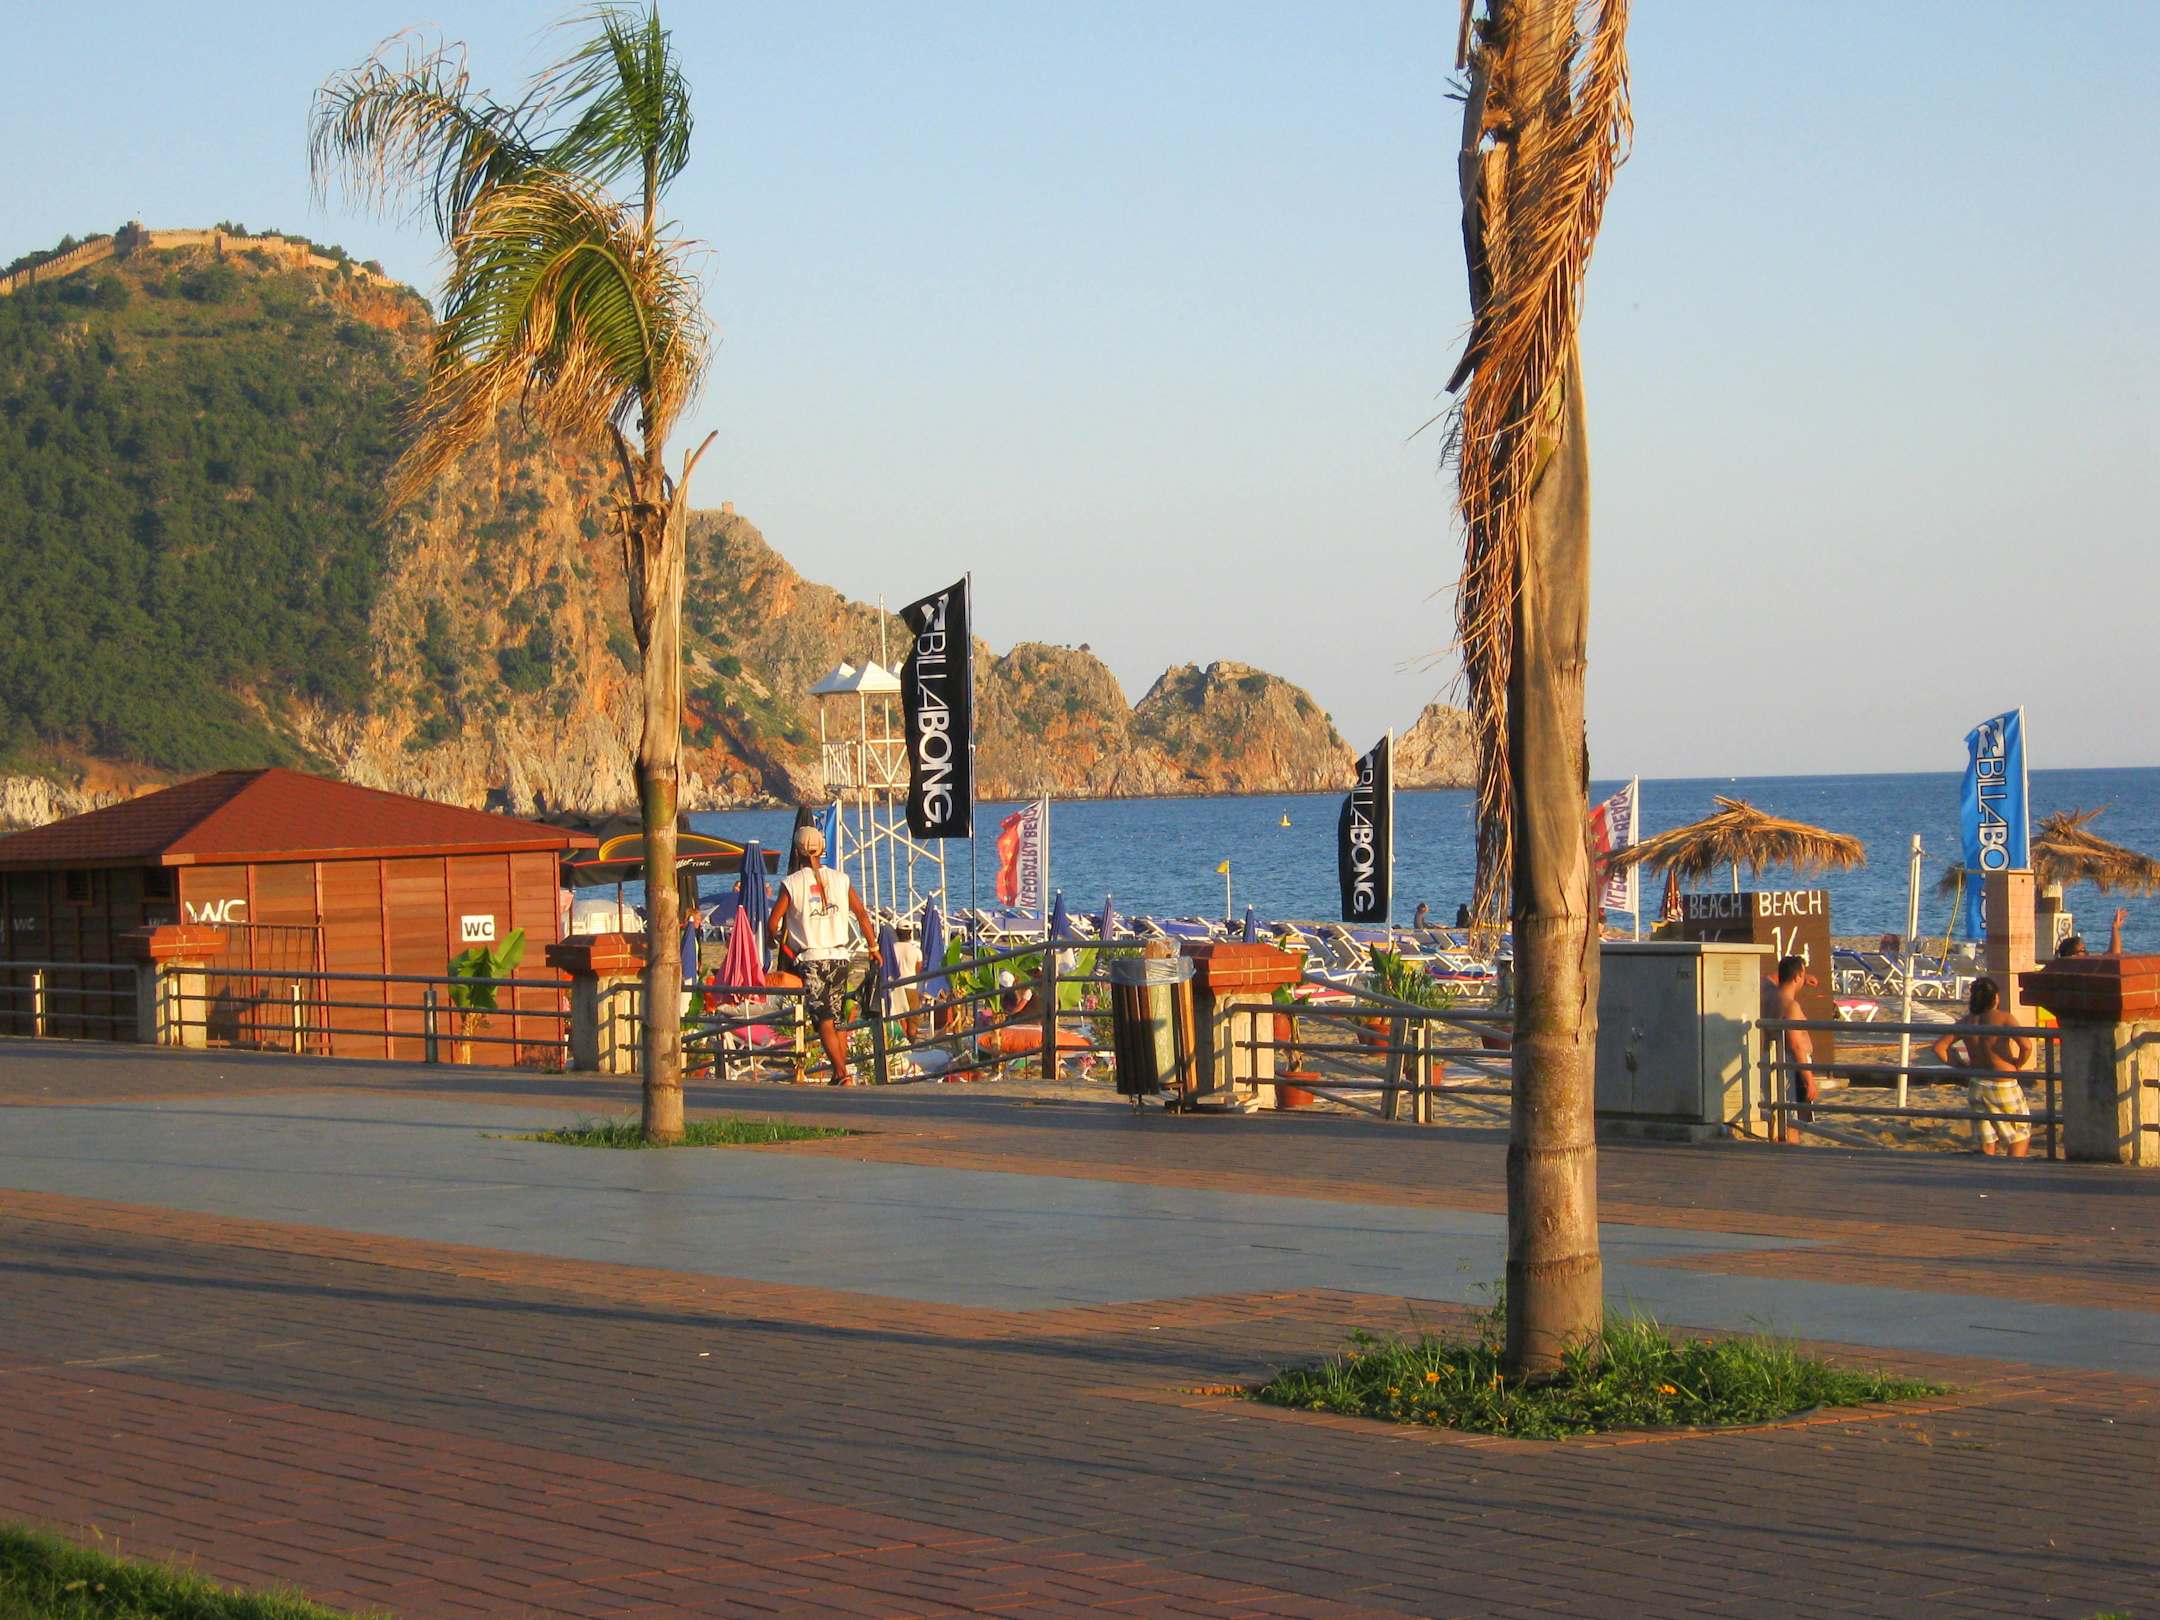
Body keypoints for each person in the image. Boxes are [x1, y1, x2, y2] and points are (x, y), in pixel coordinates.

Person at [766, 823, 876, 1085]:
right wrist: (873, 947)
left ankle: (842, 1073)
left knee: (823, 1018)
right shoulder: (841, 879)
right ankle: (840, 1074)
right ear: (822, 849)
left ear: (797, 851)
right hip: (840, 957)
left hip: (811, 959)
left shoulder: (792, 883)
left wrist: (781, 944)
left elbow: (773, 924)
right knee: (837, 1019)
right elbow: (862, 914)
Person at [1932, 976, 2031, 1157]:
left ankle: (1987, 1170)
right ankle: (2015, 1169)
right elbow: (2026, 1046)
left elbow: (1939, 1048)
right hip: (2003, 1083)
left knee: (1987, 1138)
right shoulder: (2004, 1018)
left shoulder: (1966, 1022)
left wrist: (1960, 1066)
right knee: (2019, 1134)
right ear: (1995, 997)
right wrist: (2018, 1063)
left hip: (1977, 1083)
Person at [1761, 955, 1818, 1145]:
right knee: (1791, 1122)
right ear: (1796, 976)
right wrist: (1808, 1079)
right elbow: (1795, 1045)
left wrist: (1801, 975)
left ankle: (1776, 1150)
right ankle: (1790, 1152)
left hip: (1769, 1058)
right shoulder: (1791, 1005)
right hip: (1789, 1066)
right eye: (1802, 974)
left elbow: (1768, 978)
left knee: (1775, 1117)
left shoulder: (1768, 993)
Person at [2057, 907, 2128, 959]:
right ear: (2073, 956)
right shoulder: (2082, 966)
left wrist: (2115, 927)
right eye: (2083, 950)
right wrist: (2115, 927)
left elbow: (2110, 954)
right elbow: (2115, 955)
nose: (2087, 953)